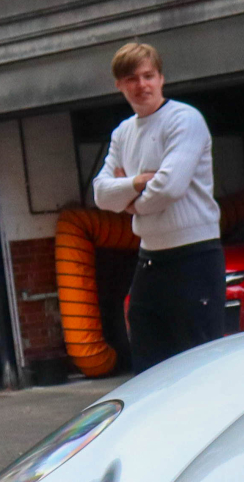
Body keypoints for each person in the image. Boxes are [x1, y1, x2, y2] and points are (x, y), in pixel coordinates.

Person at [92, 41, 224, 373]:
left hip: (194, 256)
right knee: (150, 367)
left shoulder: (185, 120)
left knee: (198, 364)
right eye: (131, 79)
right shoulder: (123, 133)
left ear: (161, 78)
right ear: (119, 85)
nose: (142, 85)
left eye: (148, 75)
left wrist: (130, 204)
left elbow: (169, 186)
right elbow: (100, 194)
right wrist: (137, 183)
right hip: (149, 261)